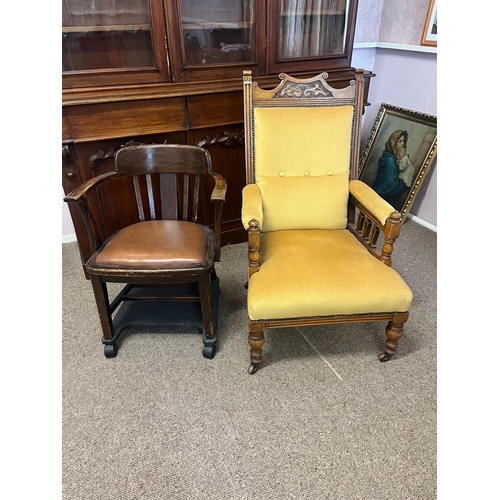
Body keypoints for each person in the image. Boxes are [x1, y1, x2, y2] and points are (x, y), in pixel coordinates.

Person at [372, 130, 412, 207]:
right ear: (393, 143)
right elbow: (390, 186)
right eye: (400, 141)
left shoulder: (393, 157)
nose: (403, 144)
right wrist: (403, 184)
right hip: (381, 197)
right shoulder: (389, 160)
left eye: (403, 141)